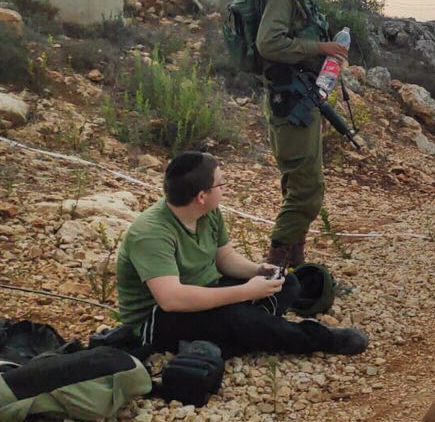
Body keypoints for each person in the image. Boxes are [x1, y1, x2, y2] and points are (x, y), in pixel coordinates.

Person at [116, 151, 367, 357]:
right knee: (238, 318)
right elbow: (172, 299)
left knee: (286, 283)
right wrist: (246, 292)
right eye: (220, 184)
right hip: (159, 318)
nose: (224, 189)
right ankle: (321, 339)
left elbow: (224, 258)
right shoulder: (151, 233)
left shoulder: (207, 212)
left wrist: (257, 271)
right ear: (202, 196)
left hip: (207, 289)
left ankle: (234, 338)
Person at [255, 0, 349, 267]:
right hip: (291, 103)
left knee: (300, 185)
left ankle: (293, 267)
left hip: (304, 100)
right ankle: (274, 268)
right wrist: (321, 47)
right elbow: (268, 43)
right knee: (306, 191)